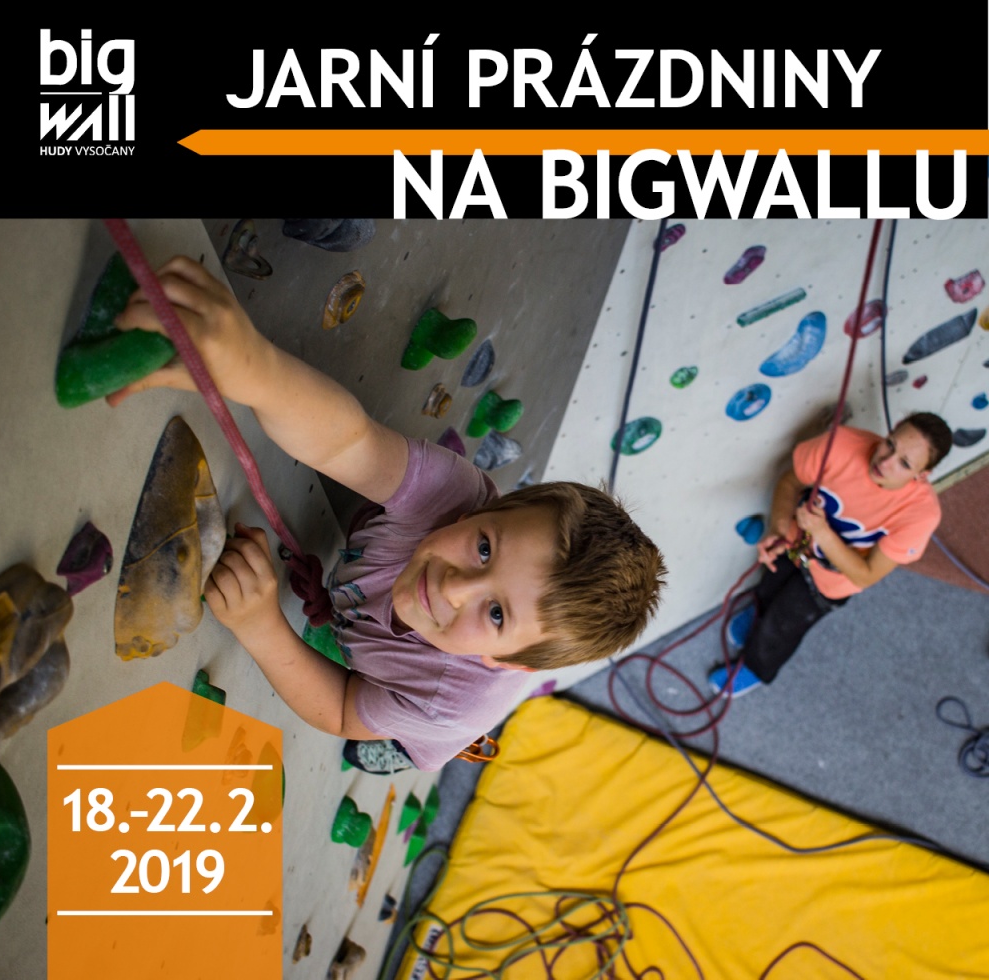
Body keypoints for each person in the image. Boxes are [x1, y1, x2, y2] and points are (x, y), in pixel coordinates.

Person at [110, 256, 667, 770]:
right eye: (484, 548)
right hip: (376, 589)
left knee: (387, 732)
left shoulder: (448, 703)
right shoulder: (455, 495)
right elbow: (348, 442)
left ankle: (401, 744)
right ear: (491, 505)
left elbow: (342, 709)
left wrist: (262, 626)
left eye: (497, 614)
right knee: (378, 510)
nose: (454, 587)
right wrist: (253, 368)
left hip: (427, 717)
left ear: (507, 662)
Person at [709, 412, 951, 697]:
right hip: (795, 542)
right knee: (769, 586)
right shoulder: (840, 445)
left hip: (833, 579)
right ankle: (757, 615)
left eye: (904, 463)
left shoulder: (920, 514)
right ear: (890, 431)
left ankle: (755, 668)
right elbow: (790, 482)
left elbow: (866, 575)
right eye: (890, 444)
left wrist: (822, 533)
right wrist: (778, 528)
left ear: (922, 475)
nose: (884, 462)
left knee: (783, 626)